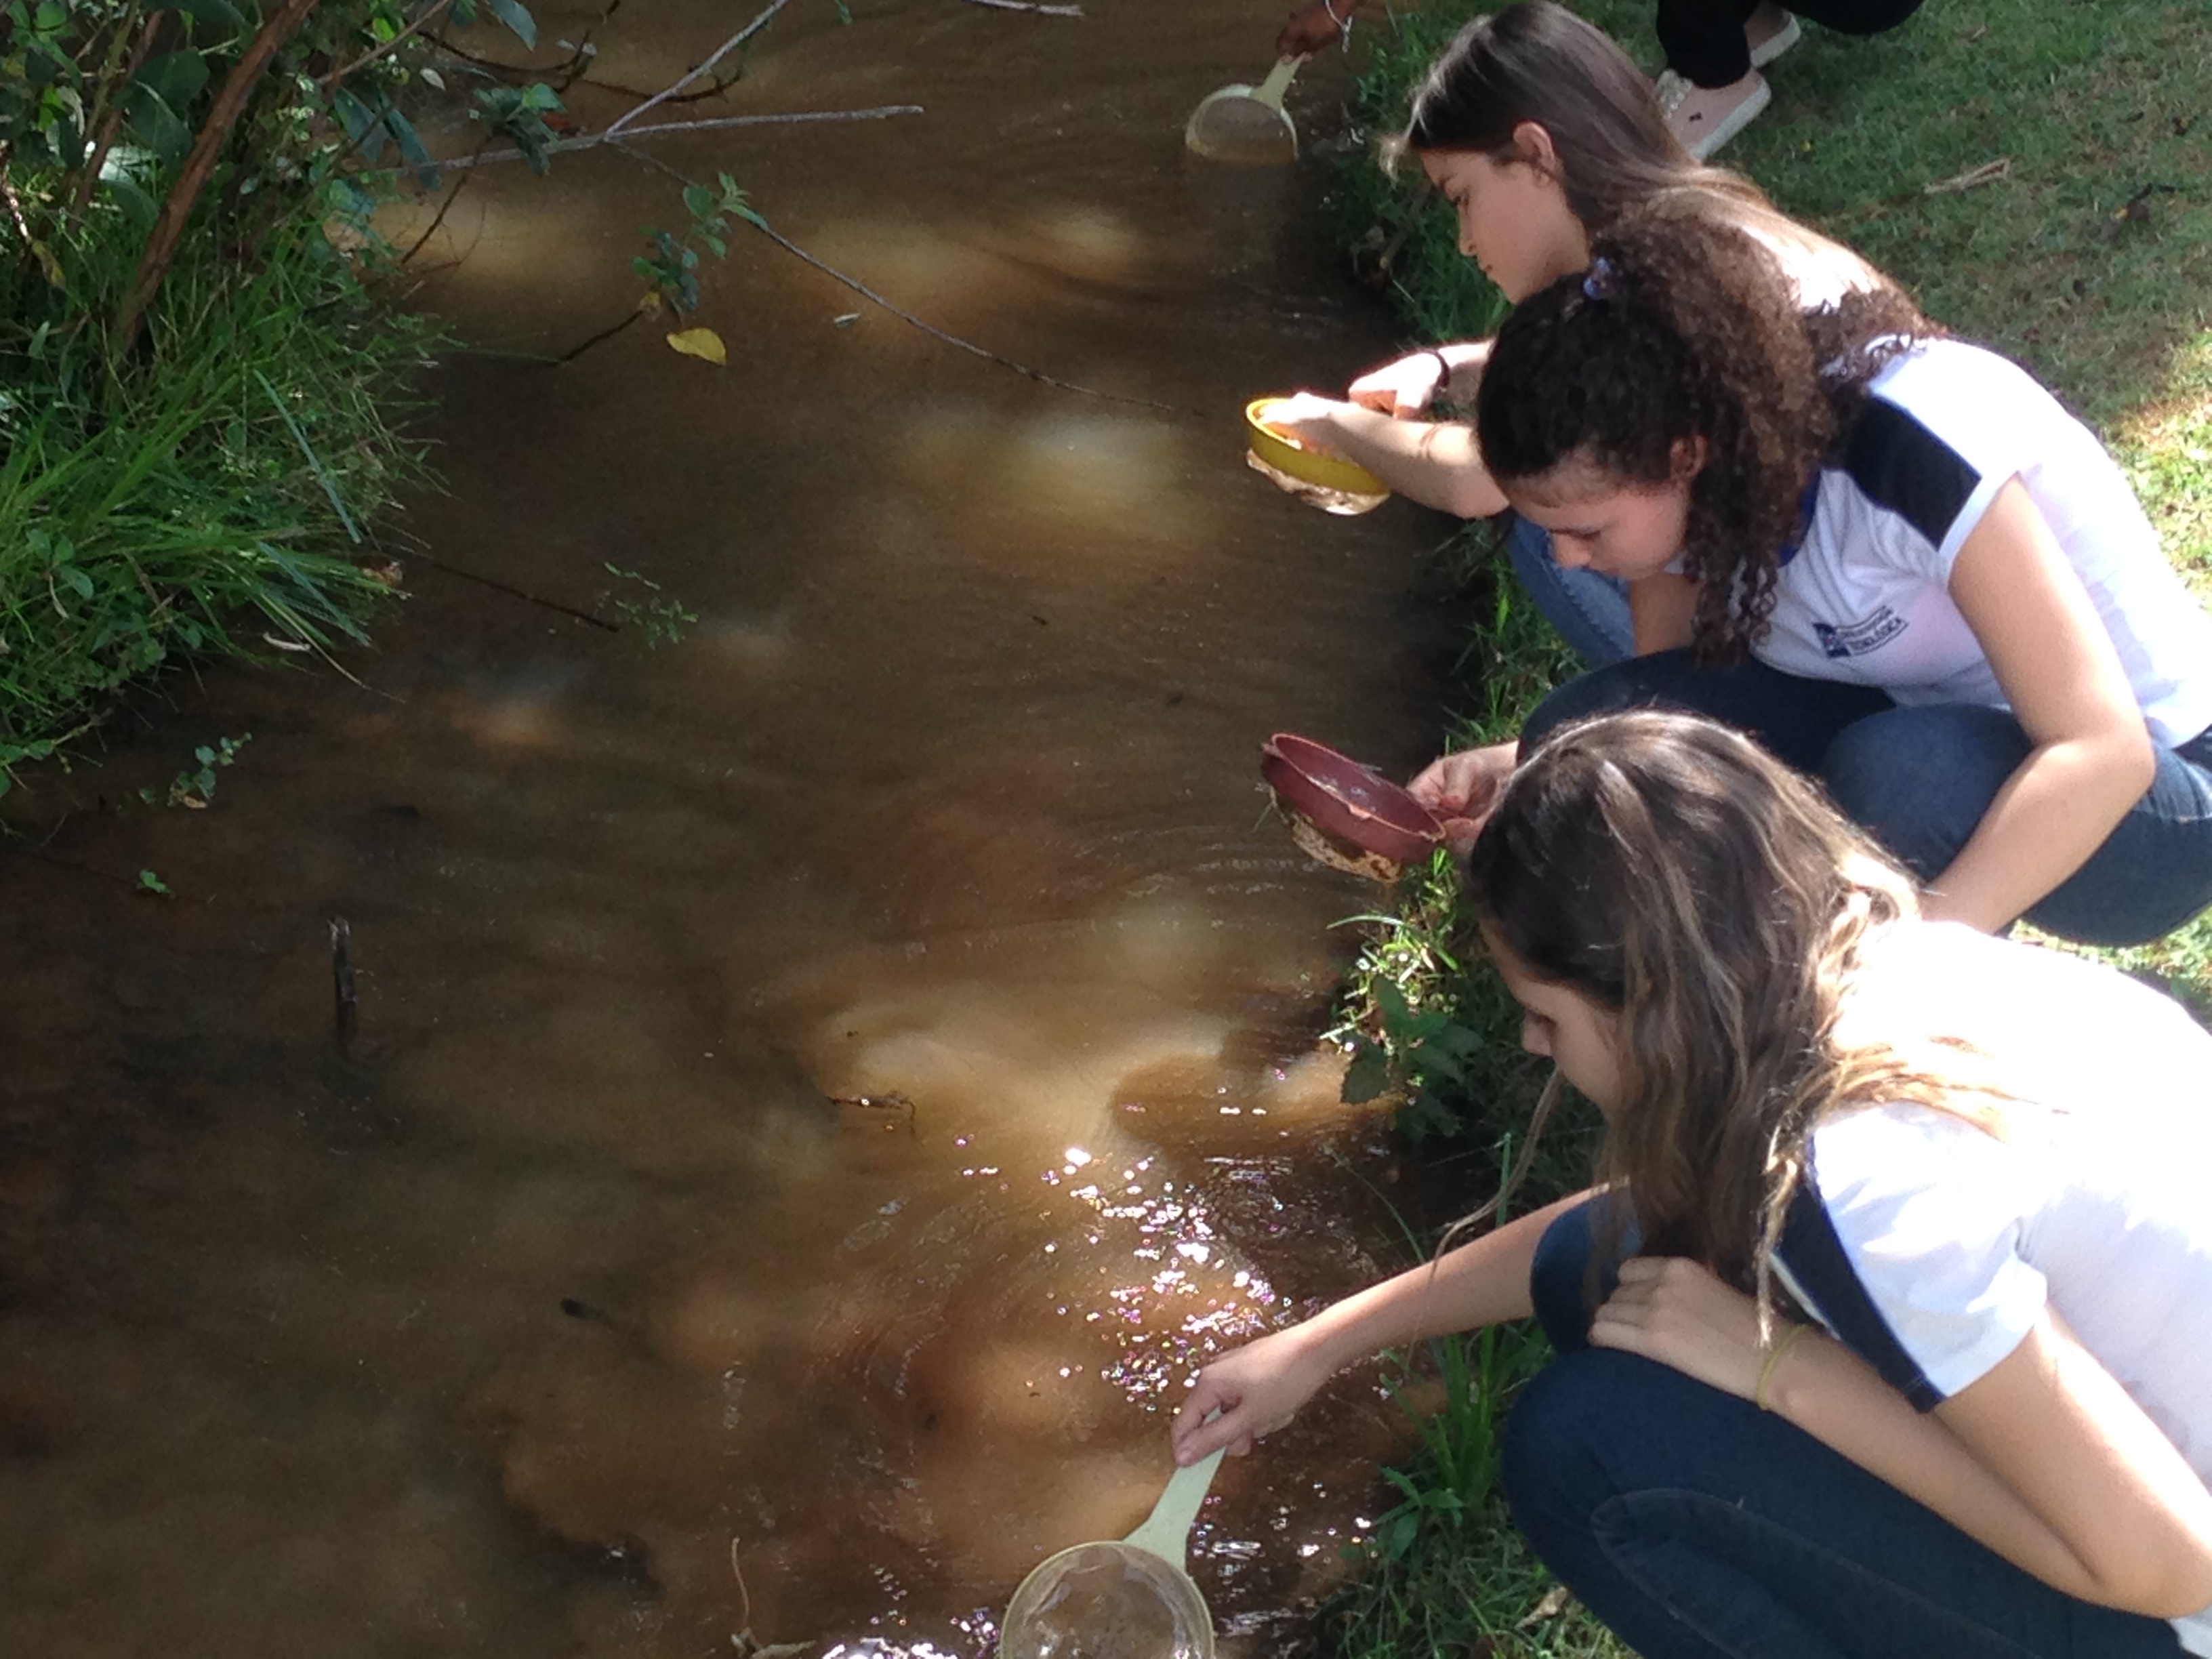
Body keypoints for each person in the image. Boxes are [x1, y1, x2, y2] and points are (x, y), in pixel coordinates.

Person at [1172, 710, 2212, 1659]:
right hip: (2145, 1458)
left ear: (1651, 1005)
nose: (1535, 1049)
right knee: (1602, 1266)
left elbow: (2167, 1561)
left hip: (2173, 1598)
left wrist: (1776, 1369)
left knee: (1591, 1452)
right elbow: (1634, 1216)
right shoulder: (1886, 967)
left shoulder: (1861, 1182)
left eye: (1548, 1017)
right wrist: (1321, 1344)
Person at [1410, 209, 2212, 947]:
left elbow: (2104, 752)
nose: (1569, 561)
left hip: (2159, 794)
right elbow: (1679, 726)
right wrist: (1528, 765)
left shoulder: (1906, 445)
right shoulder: (1703, 488)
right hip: (1933, 721)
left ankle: (1932, 1052)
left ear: (1682, 455)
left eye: (1587, 530)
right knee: (1584, 742)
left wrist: (1905, 958)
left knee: (1902, 777)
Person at [1258, 1, 1887, 665]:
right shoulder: (1693, 227)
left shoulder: (1652, 276)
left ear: (1535, 155)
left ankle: (1685, 705)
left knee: (1542, 488)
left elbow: (1475, 479)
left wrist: (1333, 430)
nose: (1466, 244)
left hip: (1830, 636)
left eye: (1462, 199)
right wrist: (1445, 369)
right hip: (1847, 594)